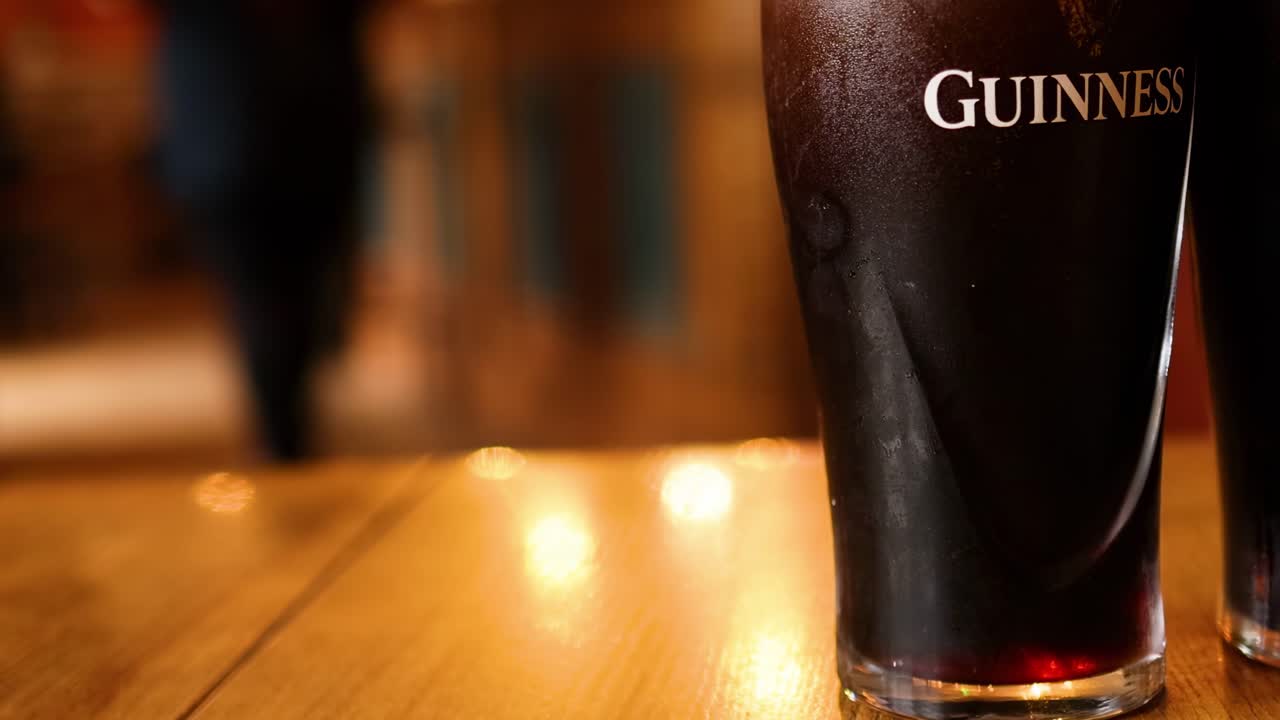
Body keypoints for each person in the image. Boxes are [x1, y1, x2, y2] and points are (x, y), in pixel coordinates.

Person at [154, 1, 369, 460]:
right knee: (265, 304)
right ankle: (282, 436)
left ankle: (285, 431)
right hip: (229, 143)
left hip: (301, 141)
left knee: (294, 304)